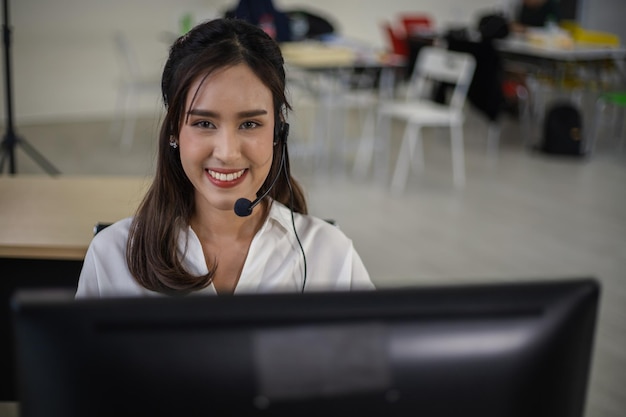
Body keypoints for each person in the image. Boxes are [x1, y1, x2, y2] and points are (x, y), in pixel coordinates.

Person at [76, 18, 374, 298]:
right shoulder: (113, 256)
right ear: (174, 132)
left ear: (278, 132)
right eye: (204, 123)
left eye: (250, 124)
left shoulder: (329, 255)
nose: (227, 152)